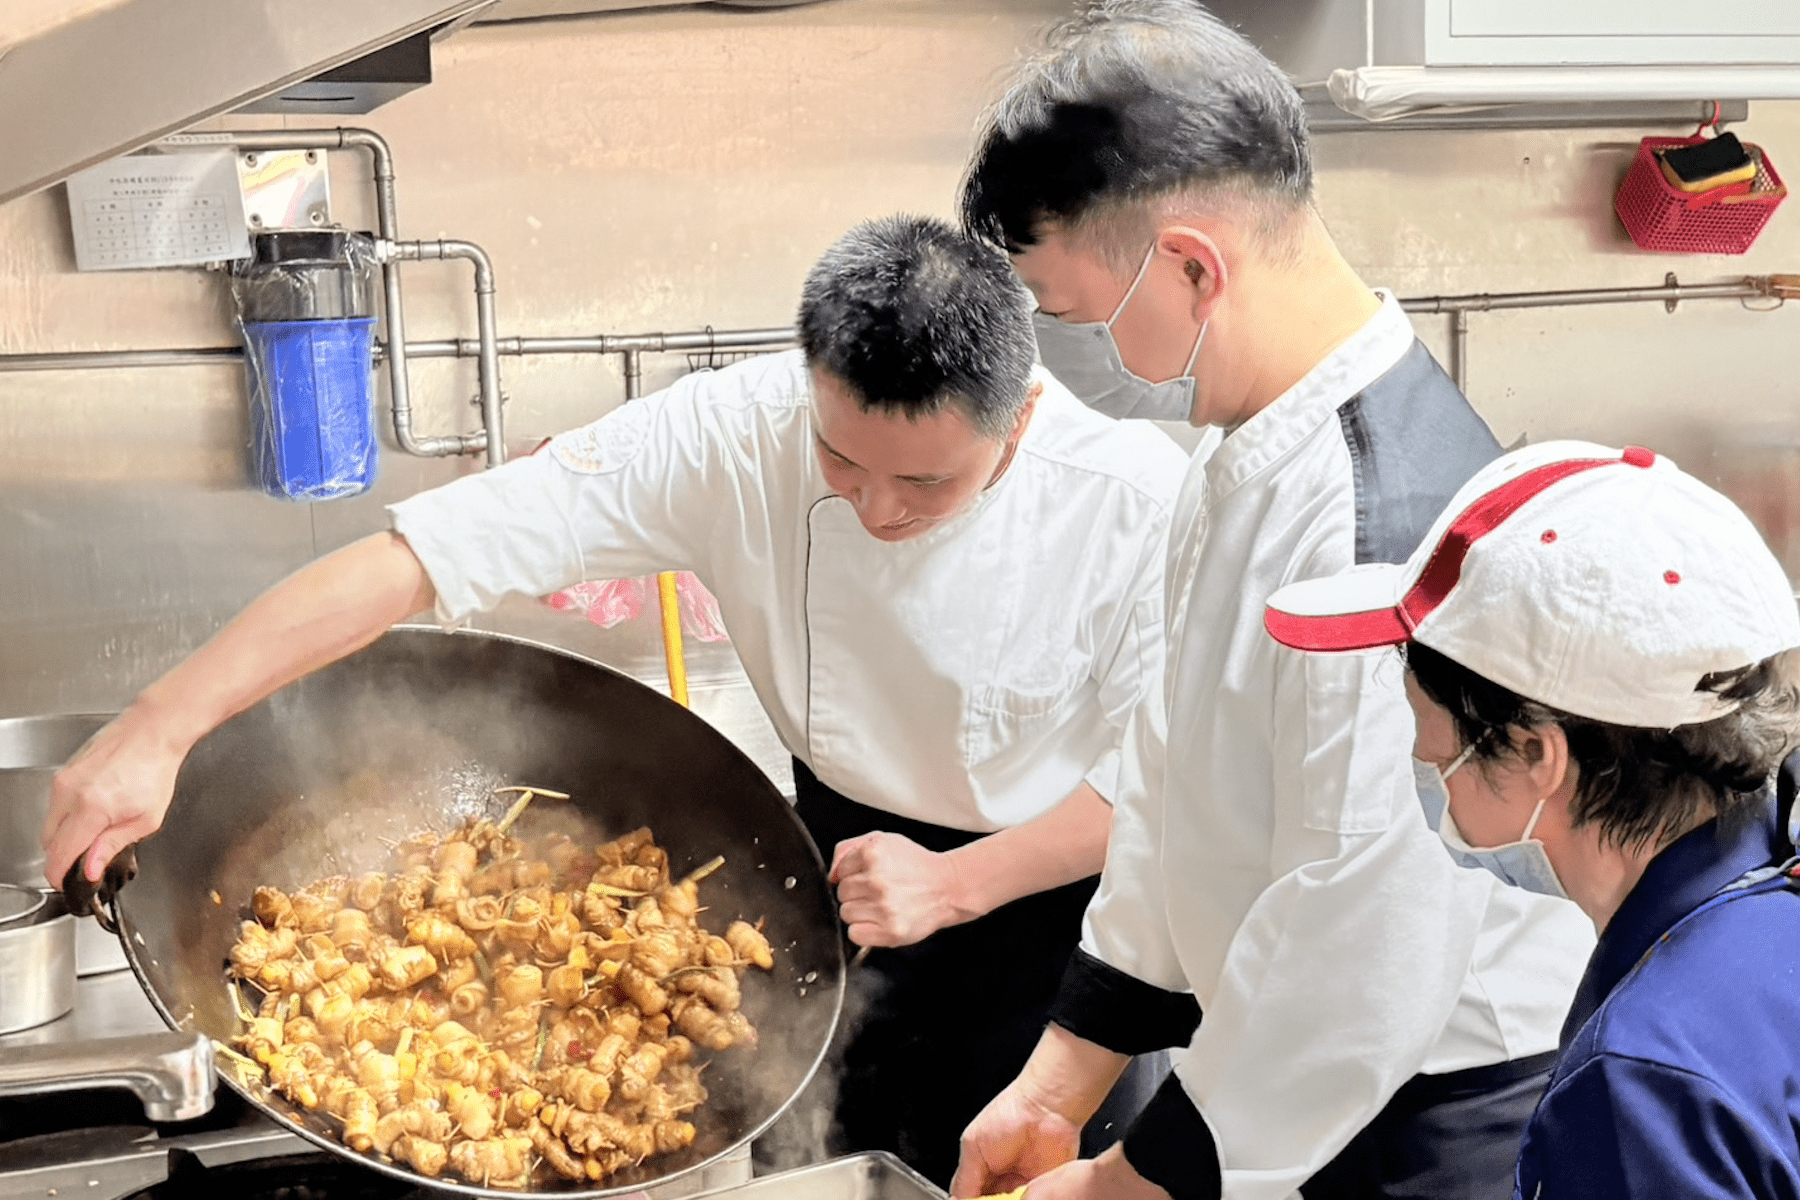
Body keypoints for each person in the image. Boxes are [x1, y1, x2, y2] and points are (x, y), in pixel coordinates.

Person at [39, 214, 1190, 1187]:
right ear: (811, 385)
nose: (877, 508)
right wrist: (160, 726)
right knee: (834, 1172)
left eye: (927, 482)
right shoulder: (732, 432)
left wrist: (960, 881)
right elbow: (419, 557)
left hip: (1053, 926)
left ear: (1022, 419)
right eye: (844, 462)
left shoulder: (1139, 507)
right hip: (840, 871)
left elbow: (1174, 787)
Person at [951, 4, 1594, 1199]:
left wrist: (1125, 1182)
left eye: (1076, 317)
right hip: (1298, 1077)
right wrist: (1061, 1081)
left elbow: (1362, 948)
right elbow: (1171, 783)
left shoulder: (1378, 527)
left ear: (1194, 266)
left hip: (1436, 1111)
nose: (1063, 359)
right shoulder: (1249, 449)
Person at [1264, 440, 1800, 1198]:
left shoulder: (1643, 1084)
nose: (1419, 757)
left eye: (1424, 725)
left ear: (1533, 753)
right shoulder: (1770, 908)